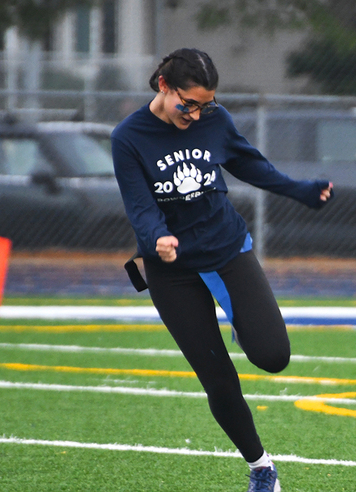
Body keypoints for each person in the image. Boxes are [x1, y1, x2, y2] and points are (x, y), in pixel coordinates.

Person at [111, 48, 333, 491]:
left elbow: (249, 164)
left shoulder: (214, 119)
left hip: (226, 250)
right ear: (163, 86)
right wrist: (158, 237)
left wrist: (301, 191)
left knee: (273, 356)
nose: (195, 113)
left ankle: (241, 321)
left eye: (204, 104)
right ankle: (261, 467)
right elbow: (139, 204)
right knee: (218, 379)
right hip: (171, 271)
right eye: (187, 103)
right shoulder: (128, 137)